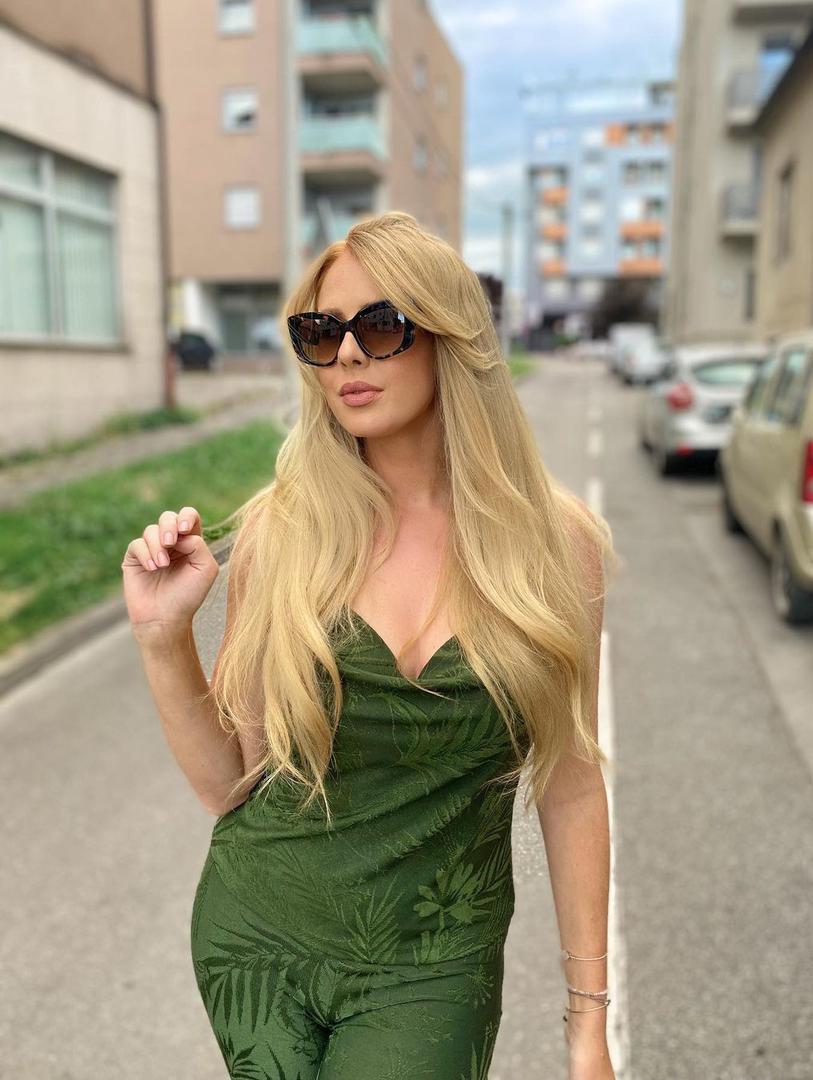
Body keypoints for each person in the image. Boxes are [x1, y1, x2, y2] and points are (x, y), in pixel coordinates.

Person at [121, 210, 619, 1079]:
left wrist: (588, 1023)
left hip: (434, 962)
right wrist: (164, 640)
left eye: (381, 326)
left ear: (450, 338)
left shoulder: (555, 544)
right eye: (322, 334)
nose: (347, 355)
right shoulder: (283, 536)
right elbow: (230, 782)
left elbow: (571, 785)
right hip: (257, 939)